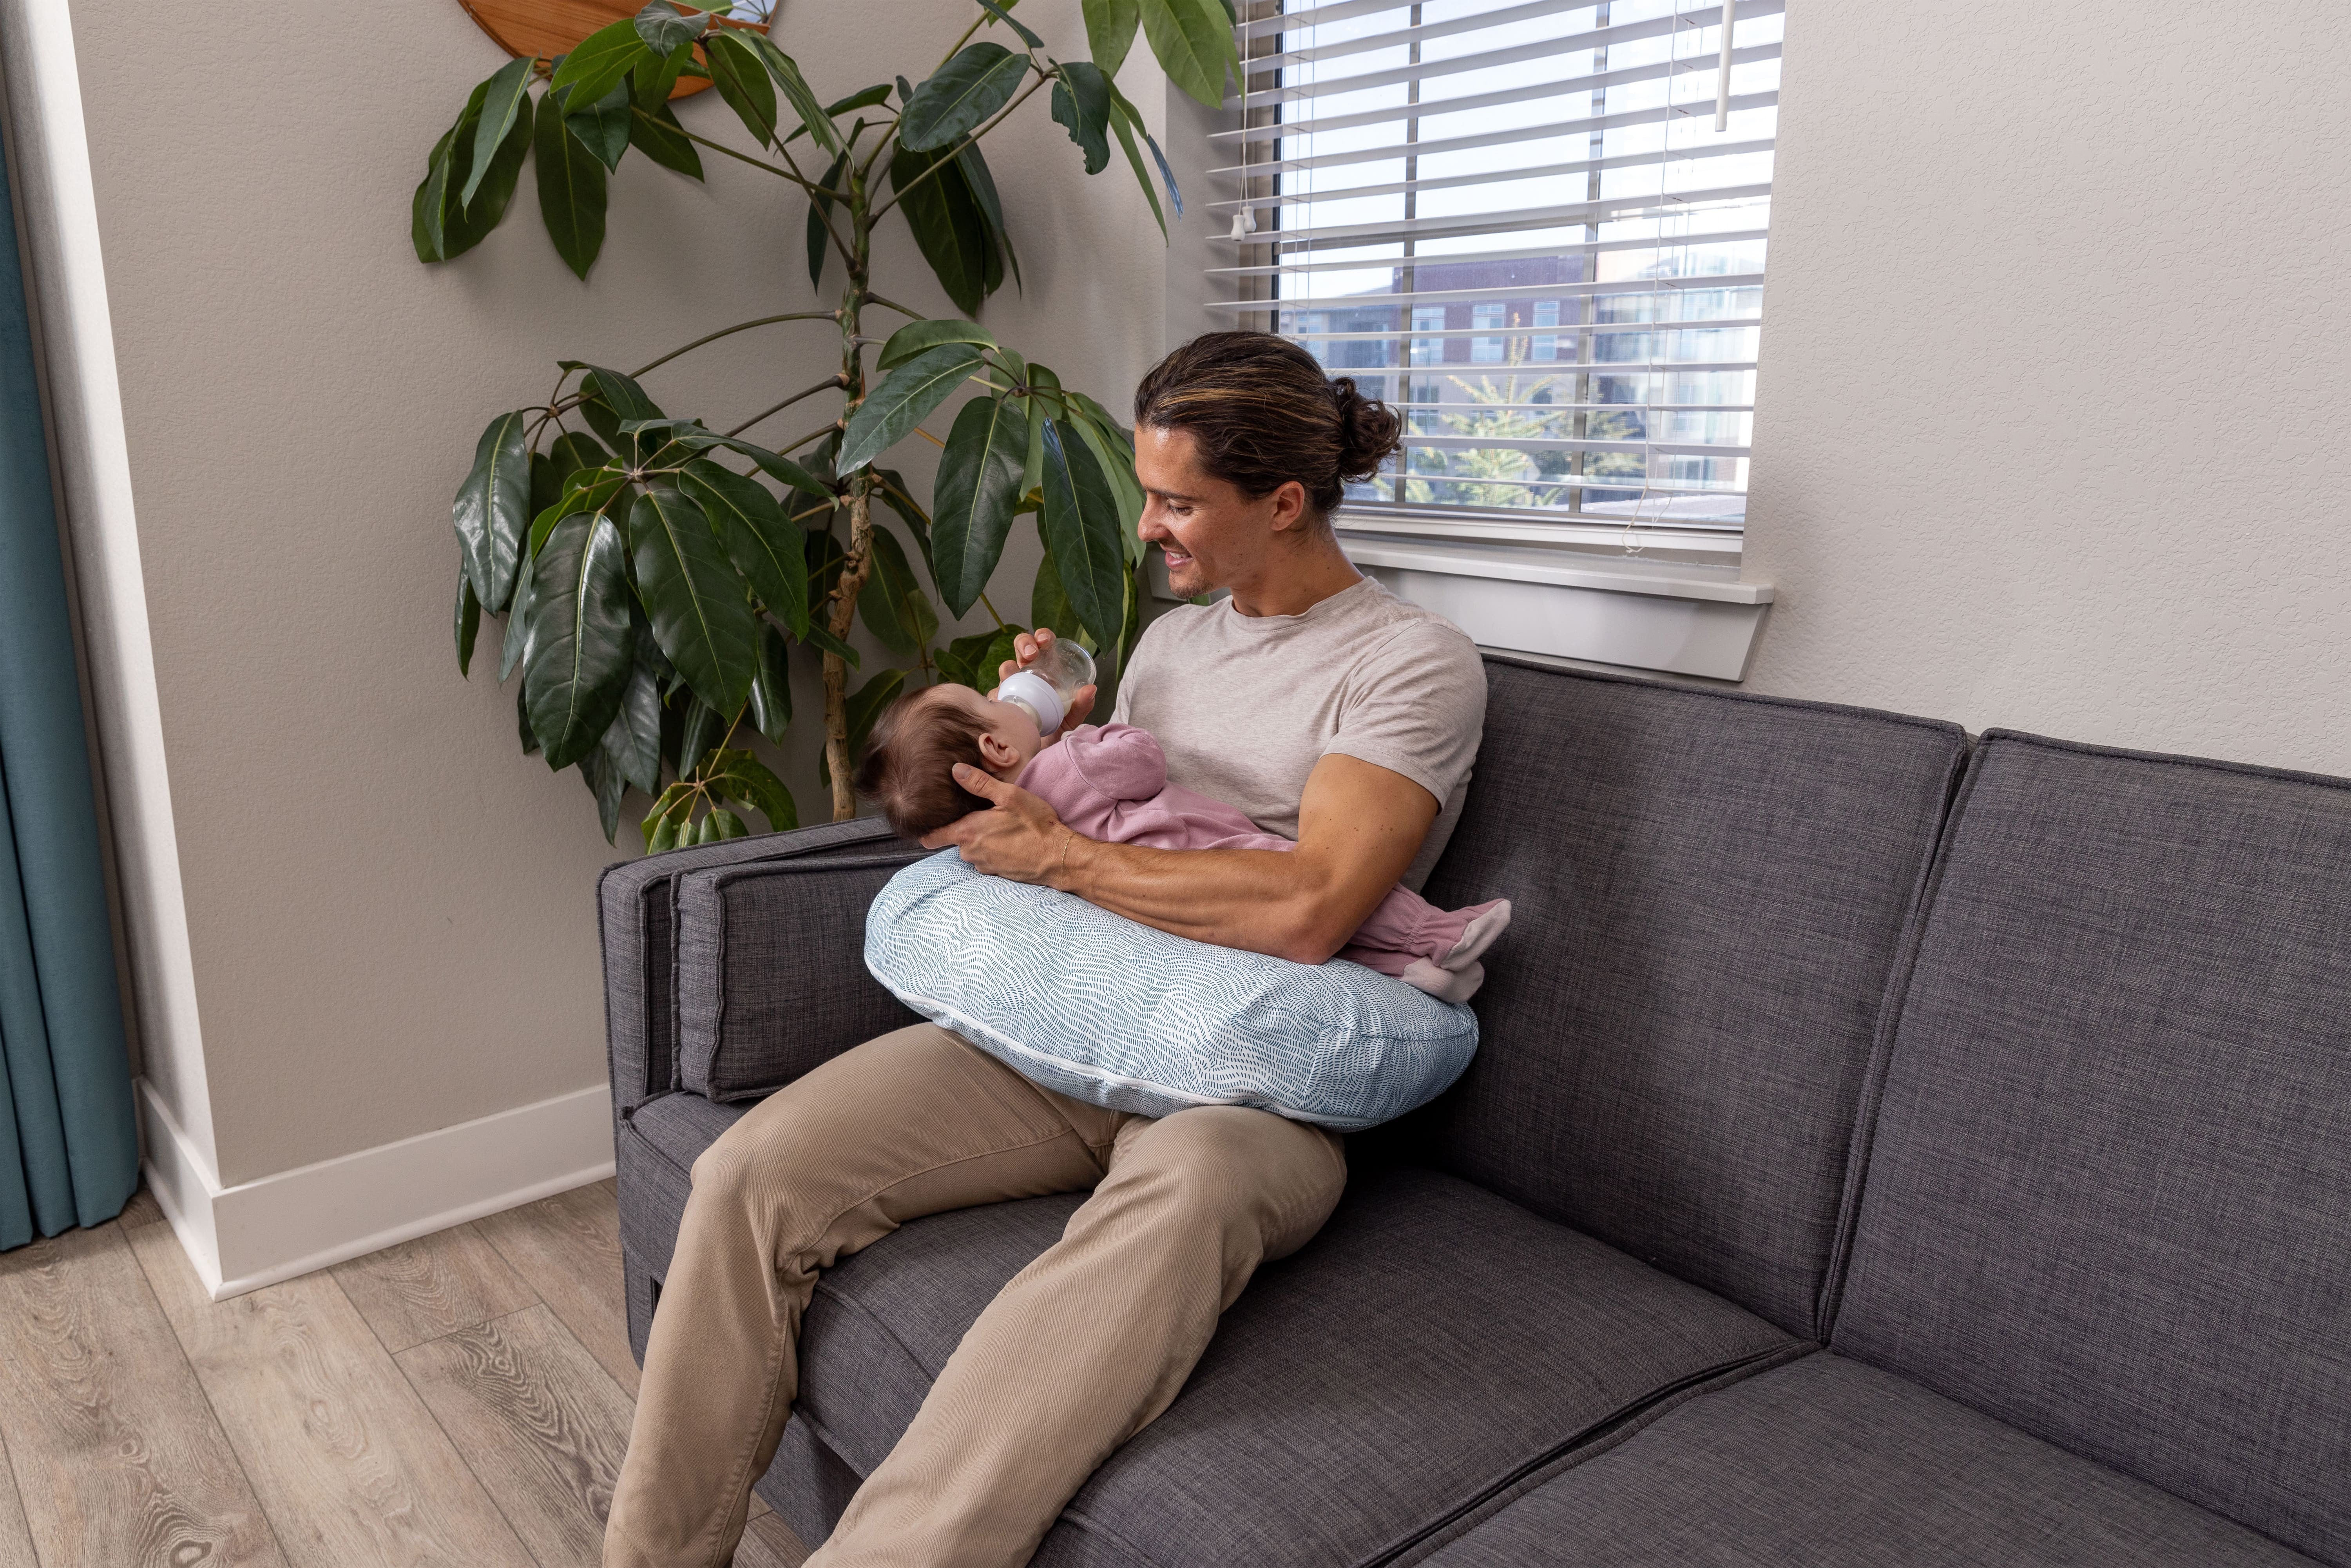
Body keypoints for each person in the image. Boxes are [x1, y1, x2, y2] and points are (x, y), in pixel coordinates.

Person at [603, 331, 1489, 1568]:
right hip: (1085, 1021)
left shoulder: (1409, 662)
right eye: (1148, 492)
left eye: (1178, 503)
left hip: (1255, 1086)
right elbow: (1124, 808)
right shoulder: (1172, 646)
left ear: (1284, 502)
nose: (1147, 526)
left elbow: (1313, 907)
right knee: (751, 1175)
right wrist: (1041, 747)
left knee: (1189, 1194)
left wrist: (1061, 857)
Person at [855, 688, 1512, 1001]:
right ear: (996, 746)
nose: (1003, 693)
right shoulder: (1074, 758)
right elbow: (1142, 759)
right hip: (1207, 851)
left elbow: (1317, 907)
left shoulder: (1006, 841)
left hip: (1162, 914)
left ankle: (1413, 972)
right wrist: (1077, 737)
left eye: (1177, 503)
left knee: (1313, 922)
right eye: (987, 698)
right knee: (1313, 884)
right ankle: (1439, 935)